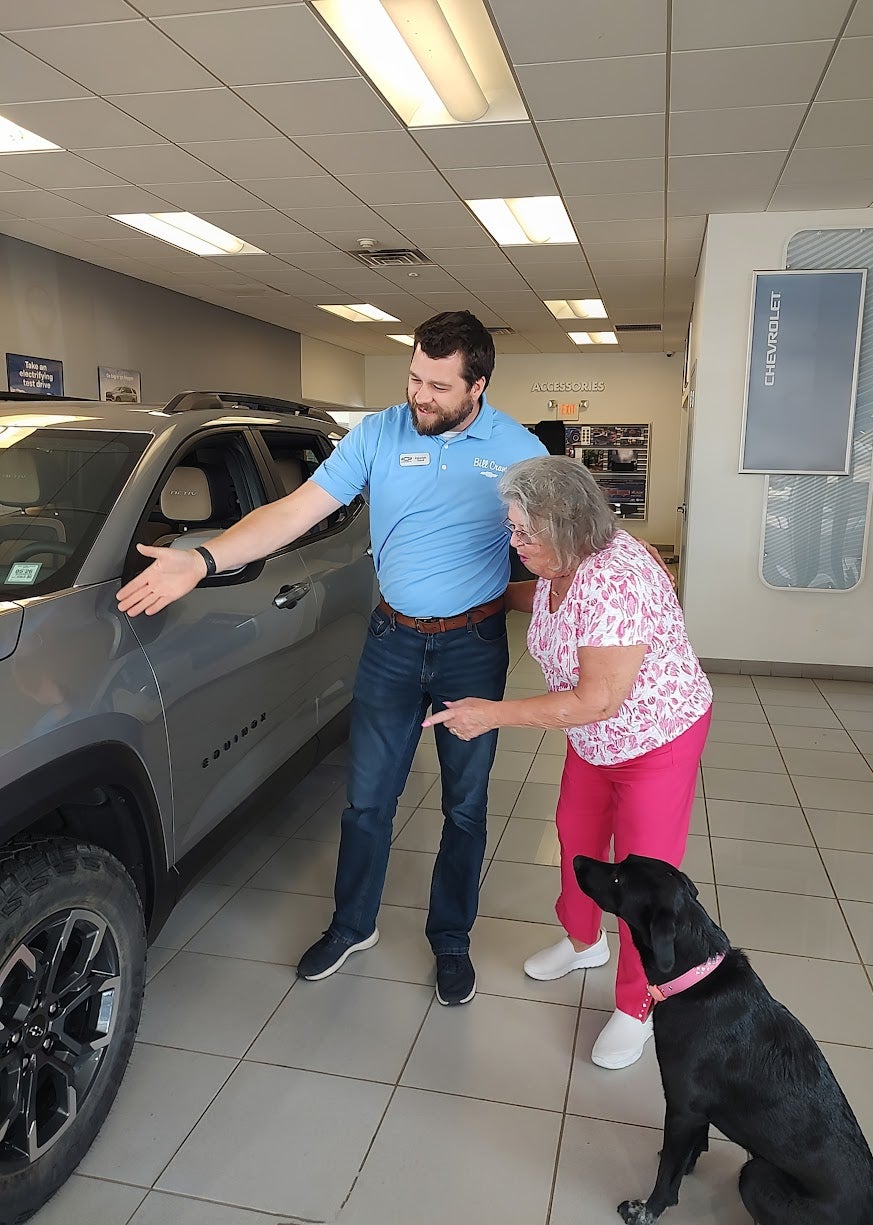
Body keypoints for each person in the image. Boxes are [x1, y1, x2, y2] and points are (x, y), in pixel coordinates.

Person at [116, 310, 546, 1006]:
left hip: (472, 646)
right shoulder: (377, 434)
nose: (420, 395)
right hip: (392, 641)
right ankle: (352, 924)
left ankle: (450, 938)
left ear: (478, 386)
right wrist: (203, 558)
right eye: (414, 377)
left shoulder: (519, 450)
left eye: (438, 385)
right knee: (367, 800)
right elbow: (294, 511)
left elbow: (555, 543)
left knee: (465, 806)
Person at [423, 456, 712, 1064]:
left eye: (525, 532)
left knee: (644, 877)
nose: (514, 541)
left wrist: (491, 714)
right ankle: (584, 942)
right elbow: (542, 601)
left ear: (567, 527)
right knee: (576, 839)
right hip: (593, 740)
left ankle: (639, 1002)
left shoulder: (616, 580)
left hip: (655, 739)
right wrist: (479, 599)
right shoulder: (561, 564)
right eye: (512, 528)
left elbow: (597, 699)